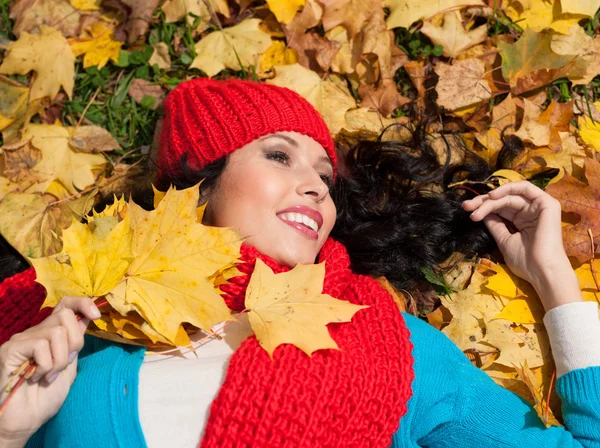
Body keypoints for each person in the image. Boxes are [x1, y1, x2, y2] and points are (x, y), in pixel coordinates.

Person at [0, 77, 599, 448]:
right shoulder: (79, 326)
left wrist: (556, 283)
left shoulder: (390, 346)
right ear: (201, 185)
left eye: (323, 175)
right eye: (279, 155)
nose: (316, 187)